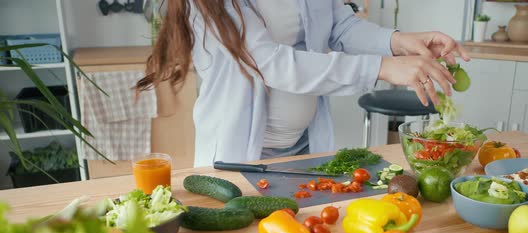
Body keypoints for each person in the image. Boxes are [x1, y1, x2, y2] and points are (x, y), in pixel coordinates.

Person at [137, 0, 470, 167]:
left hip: (303, 149)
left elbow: (341, 27)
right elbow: (269, 63)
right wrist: (381, 67)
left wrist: (400, 41)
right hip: (240, 157)